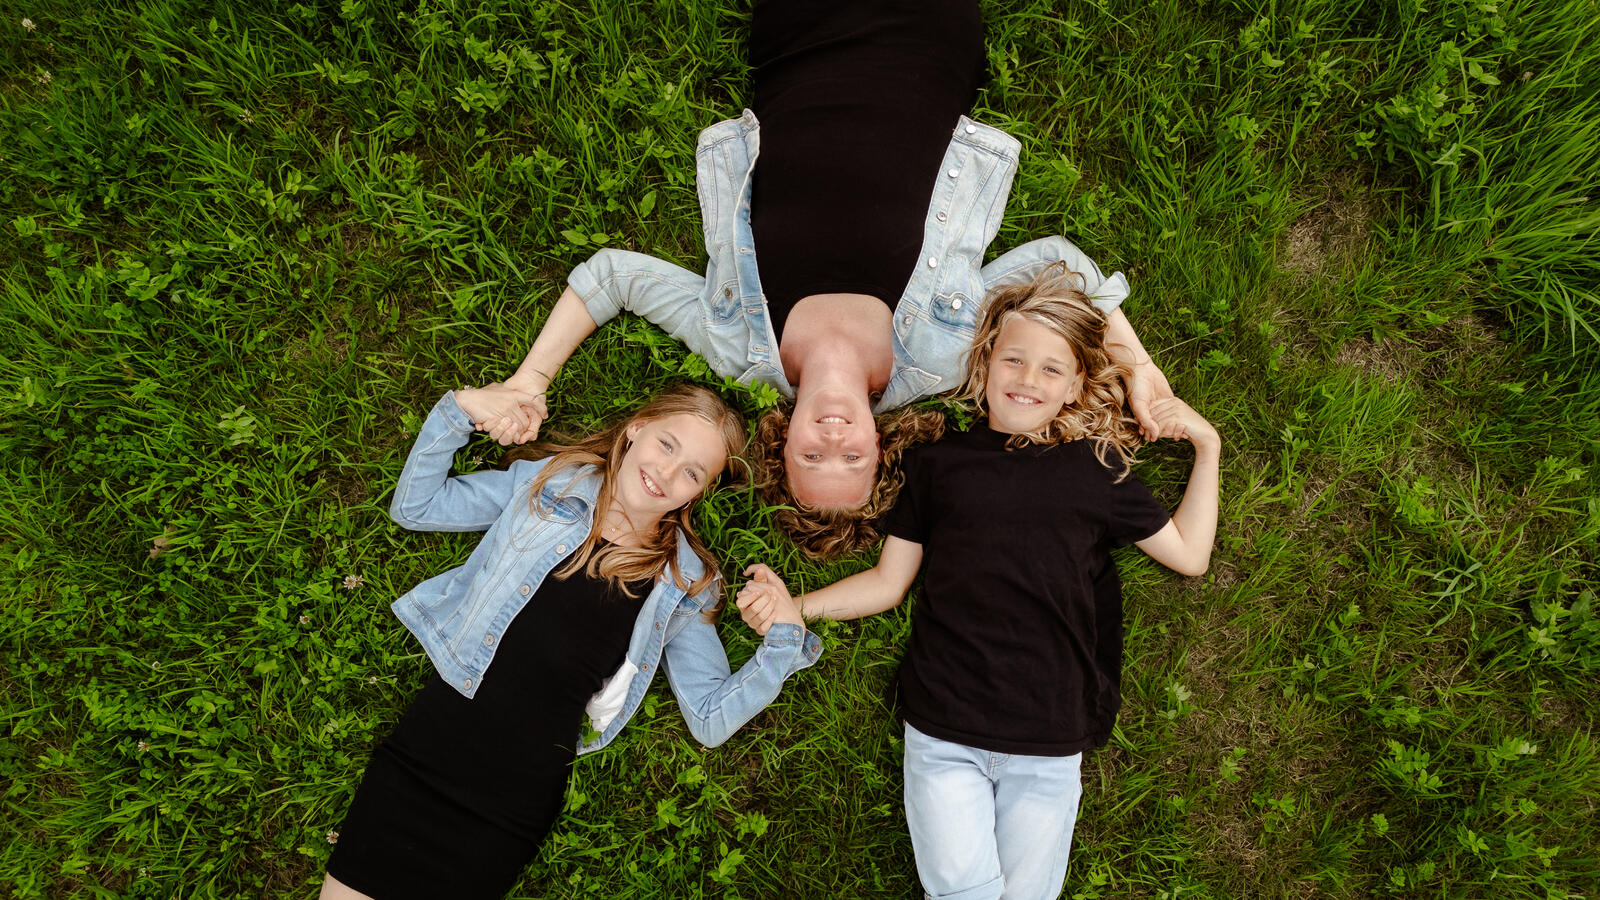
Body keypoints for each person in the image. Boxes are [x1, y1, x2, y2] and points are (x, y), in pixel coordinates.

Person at [465, 0, 1175, 559]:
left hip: (796, 41)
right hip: (927, 42)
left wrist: (529, 382)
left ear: (780, 441)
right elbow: (1062, 263)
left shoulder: (735, 341)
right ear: (880, 443)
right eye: (853, 454)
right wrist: (1138, 367)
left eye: (813, 454)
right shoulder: (945, 354)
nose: (834, 433)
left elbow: (612, 277)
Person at [735, 263, 1221, 900]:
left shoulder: (1097, 470)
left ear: (1076, 387)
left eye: (1051, 370)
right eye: (1014, 360)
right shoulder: (938, 465)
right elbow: (887, 583)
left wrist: (1208, 448)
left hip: (1051, 734)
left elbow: (1189, 556)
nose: (1027, 380)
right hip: (943, 727)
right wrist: (796, 606)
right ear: (987, 363)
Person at [319, 384, 819, 900]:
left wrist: (784, 640)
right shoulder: (549, 483)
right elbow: (417, 506)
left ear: (699, 492)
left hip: (509, 803)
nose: (667, 473)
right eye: (666, 444)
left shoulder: (684, 581)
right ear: (636, 430)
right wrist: (462, 408)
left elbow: (710, 718)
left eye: (692, 471)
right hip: (423, 758)